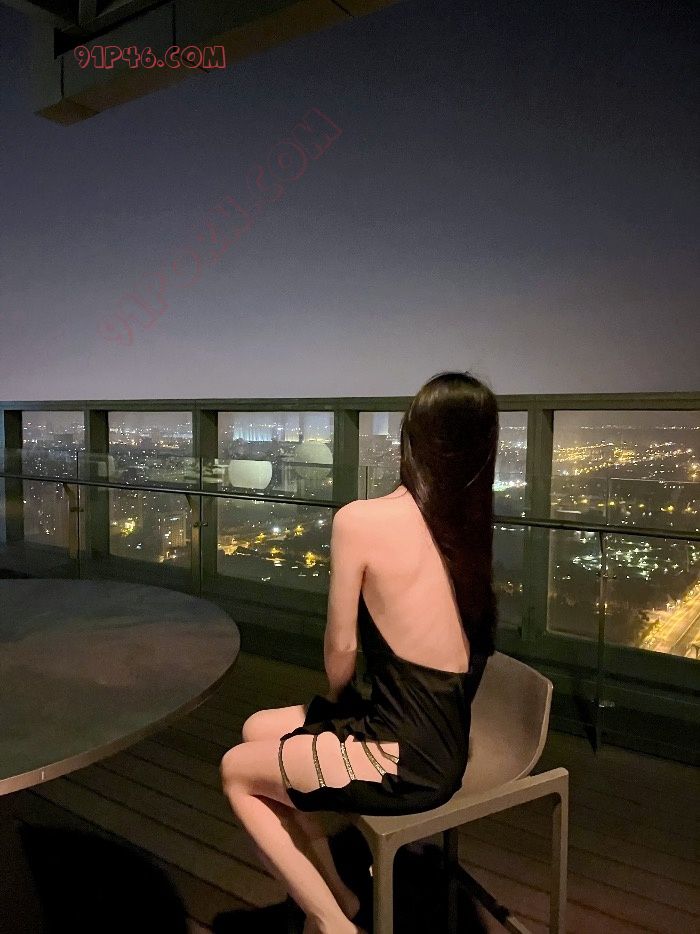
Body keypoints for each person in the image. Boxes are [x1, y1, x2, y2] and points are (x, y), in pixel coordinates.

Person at [220, 370, 499, 934]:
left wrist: (338, 702)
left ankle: (332, 924)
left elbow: (341, 648)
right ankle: (341, 894)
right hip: (441, 739)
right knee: (255, 729)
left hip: (403, 755)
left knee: (236, 771)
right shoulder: (464, 533)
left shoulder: (360, 520)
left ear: (409, 440)